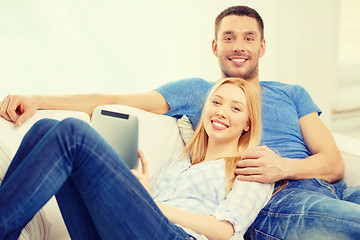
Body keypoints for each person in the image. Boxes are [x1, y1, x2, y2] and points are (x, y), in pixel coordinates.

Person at [1, 5, 359, 239]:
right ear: (214, 46)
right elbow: (117, 100)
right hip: (282, 200)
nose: (238, 46)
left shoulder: (291, 93)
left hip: (316, 185)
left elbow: (333, 163)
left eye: (248, 38)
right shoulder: (195, 101)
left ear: (262, 46)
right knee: (52, 129)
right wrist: (38, 100)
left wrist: (280, 165)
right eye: (228, 38)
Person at [0, 78, 273, 239]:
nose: (222, 112)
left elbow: (225, 231)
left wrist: (152, 206)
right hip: (137, 229)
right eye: (216, 102)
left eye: (236, 108)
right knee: (44, 130)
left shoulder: (252, 168)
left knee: (74, 133)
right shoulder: (180, 162)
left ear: (248, 124)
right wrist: (144, 193)